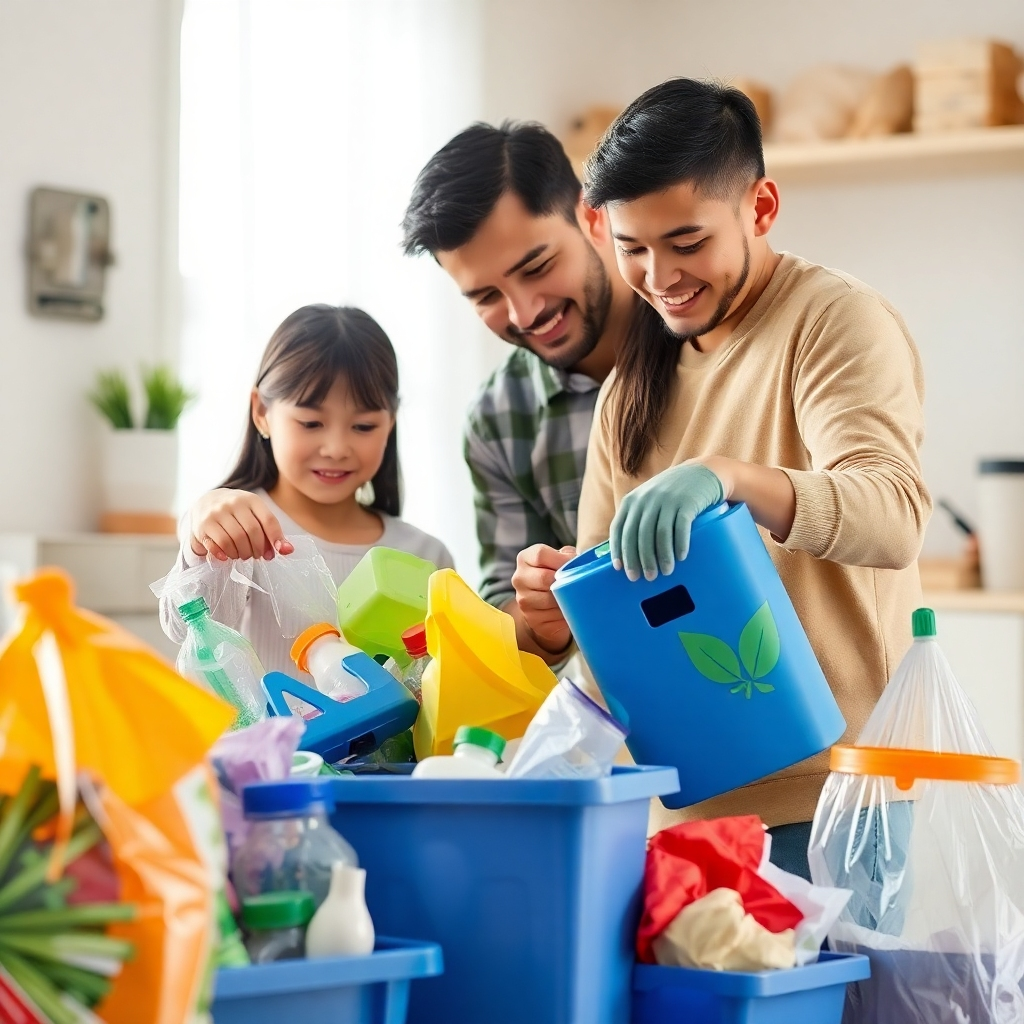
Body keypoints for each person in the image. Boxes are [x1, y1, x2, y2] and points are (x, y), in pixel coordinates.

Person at [511, 78, 931, 879]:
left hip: (833, 799)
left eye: (687, 241)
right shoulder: (634, 386)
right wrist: (555, 614)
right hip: (676, 810)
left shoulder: (832, 319)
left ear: (760, 208)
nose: (659, 275)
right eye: (632, 248)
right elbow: (611, 615)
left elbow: (893, 513)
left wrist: (732, 478)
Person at [401, 122, 635, 661]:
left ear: (592, 216)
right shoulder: (498, 418)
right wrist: (538, 621)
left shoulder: (702, 335)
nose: (525, 313)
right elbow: (503, 610)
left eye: (537, 267)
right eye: (485, 295)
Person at [159, 304, 453, 674]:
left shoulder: (425, 555)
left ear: (390, 422)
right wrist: (203, 541)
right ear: (262, 412)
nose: (335, 448)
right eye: (311, 423)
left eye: (363, 427)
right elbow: (186, 631)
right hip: (265, 735)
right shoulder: (242, 530)